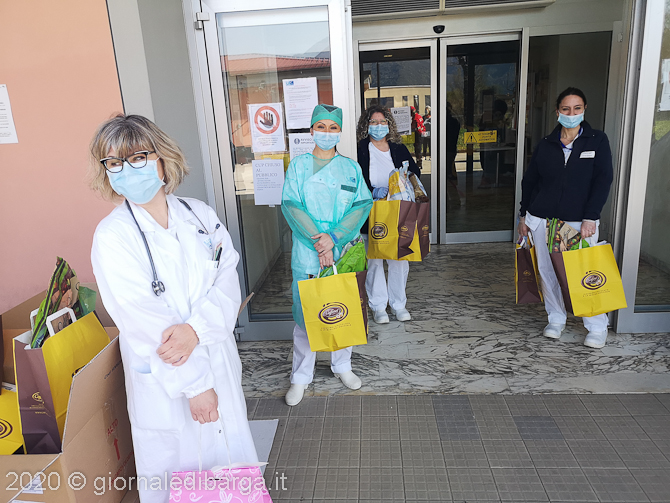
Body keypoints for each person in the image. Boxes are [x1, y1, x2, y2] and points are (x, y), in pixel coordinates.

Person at [89, 115, 258, 502]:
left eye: (137, 158)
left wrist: (197, 329)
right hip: (171, 380)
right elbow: (141, 317)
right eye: (114, 163)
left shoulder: (199, 215)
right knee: (180, 479)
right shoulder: (113, 236)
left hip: (216, 357)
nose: (126, 170)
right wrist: (196, 385)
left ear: (162, 160)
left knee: (232, 469)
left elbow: (228, 279)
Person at [281, 104, 373, 406]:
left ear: (340, 132)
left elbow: (361, 205)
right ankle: (300, 377)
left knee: (341, 310)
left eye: (333, 128)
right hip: (309, 252)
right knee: (307, 318)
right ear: (311, 131)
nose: (326, 133)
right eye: (321, 126)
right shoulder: (298, 167)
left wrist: (333, 238)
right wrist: (319, 242)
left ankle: (342, 365)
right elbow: (292, 205)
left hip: (342, 249)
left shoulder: (351, 168)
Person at [518, 87, 614, 349]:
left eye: (577, 109)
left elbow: (602, 181)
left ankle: (596, 325)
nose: (571, 114)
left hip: (578, 222)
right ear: (557, 111)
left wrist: (590, 217)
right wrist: (523, 215)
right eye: (565, 109)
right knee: (548, 273)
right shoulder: (547, 144)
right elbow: (530, 181)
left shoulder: (596, 141)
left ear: (584, 110)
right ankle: (556, 318)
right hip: (542, 219)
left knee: (584, 274)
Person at [356, 105, 421, 325]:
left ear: (389, 124)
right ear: (366, 125)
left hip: (398, 211)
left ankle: (398, 304)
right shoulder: (360, 149)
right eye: (373, 122)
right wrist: (371, 191)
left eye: (382, 122)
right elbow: (355, 180)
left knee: (399, 259)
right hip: (372, 211)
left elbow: (414, 172)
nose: (378, 126)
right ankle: (378, 306)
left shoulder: (398, 148)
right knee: (374, 259)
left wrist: (401, 182)